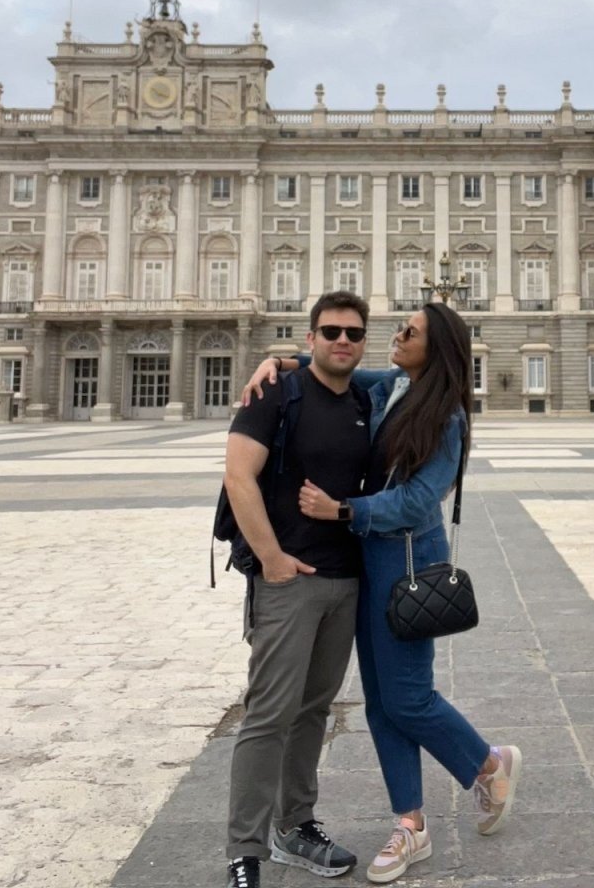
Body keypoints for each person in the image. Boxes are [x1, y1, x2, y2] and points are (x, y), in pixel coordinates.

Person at [244, 304, 522, 884]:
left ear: (436, 349)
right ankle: (411, 823)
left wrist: (345, 510)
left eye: (410, 332)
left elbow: (420, 500)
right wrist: (280, 361)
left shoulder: (447, 418)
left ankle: (487, 763)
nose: (397, 335)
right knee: (379, 702)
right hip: (367, 560)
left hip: (408, 561)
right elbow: (334, 367)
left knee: (408, 697)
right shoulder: (393, 385)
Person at [223, 291, 373, 888]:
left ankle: (296, 825)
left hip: (344, 580)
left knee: (313, 710)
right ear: (310, 338)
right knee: (268, 714)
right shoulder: (274, 393)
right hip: (287, 581)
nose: (342, 341)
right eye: (331, 331)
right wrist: (271, 559)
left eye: (353, 333)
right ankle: (245, 850)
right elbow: (239, 475)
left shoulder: (363, 399)